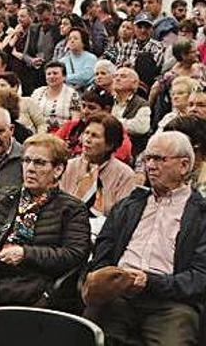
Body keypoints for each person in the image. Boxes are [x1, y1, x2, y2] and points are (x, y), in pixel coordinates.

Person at [0, 134, 91, 343]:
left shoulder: (71, 209)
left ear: (58, 169)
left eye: (39, 163)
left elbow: (74, 254)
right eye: (27, 161)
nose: (30, 168)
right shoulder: (6, 197)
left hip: (35, 280)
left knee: (14, 329)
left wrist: (26, 254)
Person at [84, 132, 206, 346]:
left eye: (159, 159)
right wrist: (106, 278)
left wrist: (150, 281)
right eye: (147, 158)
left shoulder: (200, 215)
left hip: (170, 304)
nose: (150, 165)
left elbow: (199, 277)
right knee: (87, 334)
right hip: (118, 296)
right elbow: (102, 254)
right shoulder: (128, 206)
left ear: (184, 166)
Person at [61, 112, 137, 229]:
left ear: (110, 144)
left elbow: (122, 218)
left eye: (95, 136)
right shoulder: (68, 167)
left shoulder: (125, 175)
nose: (87, 139)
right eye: (86, 133)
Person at [31, 61, 82, 131]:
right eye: (48, 74)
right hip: (38, 134)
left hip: (63, 136)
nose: (51, 76)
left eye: (55, 73)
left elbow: (75, 121)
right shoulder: (37, 93)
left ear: (64, 77)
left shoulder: (73, 94)